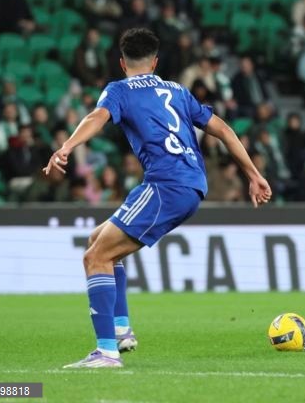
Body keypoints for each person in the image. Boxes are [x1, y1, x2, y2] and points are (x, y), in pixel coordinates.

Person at [44, 29, 272, 368]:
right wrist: (253, 174)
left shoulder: (118, 90)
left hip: (166, 185)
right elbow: (222, 129)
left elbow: (97, 118)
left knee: (95, 257)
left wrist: (66, 146)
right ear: (155, 62)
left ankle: (106, 352)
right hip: (192, 183)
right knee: (99, 242)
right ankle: (121, 330)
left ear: (122, 63)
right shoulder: (177, 90)